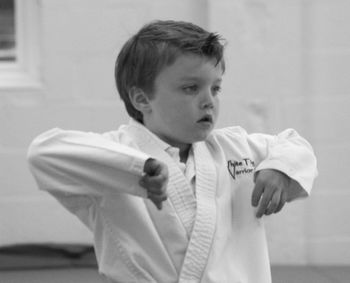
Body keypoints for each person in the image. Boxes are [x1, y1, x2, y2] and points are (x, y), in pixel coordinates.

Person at [27, 20, 318, 283]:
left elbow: (294, 145)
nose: (209, 102)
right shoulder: (114, 154)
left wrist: (280, 167)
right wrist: (137, 169)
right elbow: (43, 153)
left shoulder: (234, 148)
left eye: (215, 89)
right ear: (142, 98)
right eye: (191, 88)